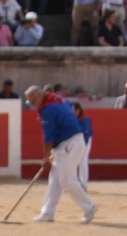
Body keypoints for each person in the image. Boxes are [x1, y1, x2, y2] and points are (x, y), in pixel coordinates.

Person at [26, 86, 97, 224]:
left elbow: (48, 137)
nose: (33, 105)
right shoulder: (57, 99)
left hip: (69, 145)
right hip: (68, 143)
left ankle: (90, 207)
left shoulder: (48, 110)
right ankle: (47, 212)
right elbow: (70, 107)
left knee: (67, 180)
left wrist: (46, 157)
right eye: (30, 102)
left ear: (40, 96)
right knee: (55, 180)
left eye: (33, 101)